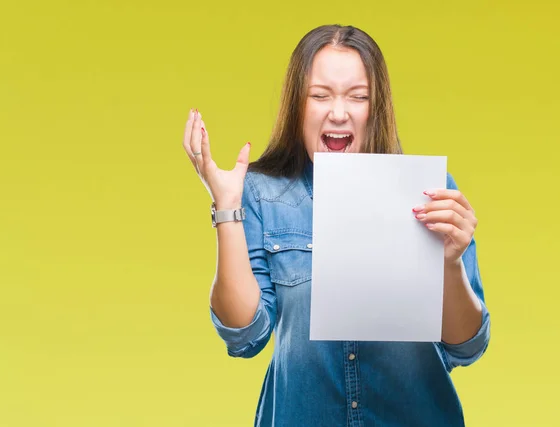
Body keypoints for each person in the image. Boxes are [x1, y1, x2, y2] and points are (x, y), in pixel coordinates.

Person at [182, 24, 490, 427]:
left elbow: (466, 345)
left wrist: (449, 264)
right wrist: (226, 207)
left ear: (375, 106)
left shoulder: (429, 194)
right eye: (320, 95)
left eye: (358, 97)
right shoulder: (261, 194)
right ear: (298, 105)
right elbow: (245, 335)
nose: (339, 112)